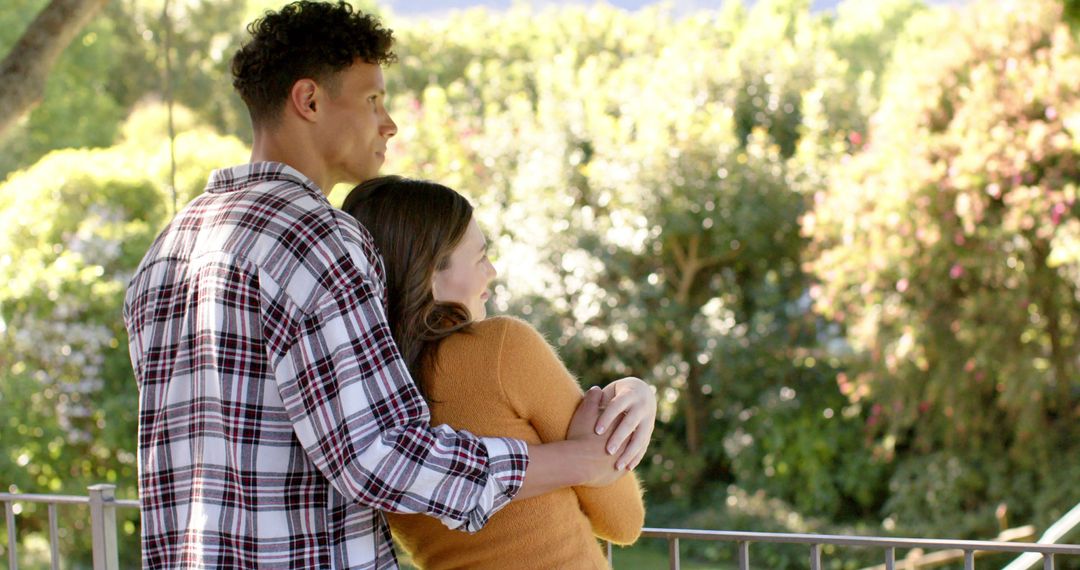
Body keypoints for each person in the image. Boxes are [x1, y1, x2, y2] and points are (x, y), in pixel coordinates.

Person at [121, 2, 656, 569]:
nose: (389, 123)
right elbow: (381, 458)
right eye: (373, 99)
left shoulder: (168, 250)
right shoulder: (318, 238)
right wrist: (578, 461)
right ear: (309, 101)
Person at [341, 176, 645, 569]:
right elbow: (623, 521)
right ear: (431, 274)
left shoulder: (366, 391)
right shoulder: (504, 349)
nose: (493, 270)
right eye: (480, 257)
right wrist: (632, 401)